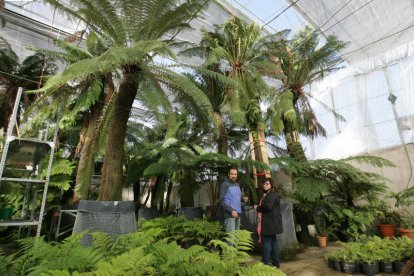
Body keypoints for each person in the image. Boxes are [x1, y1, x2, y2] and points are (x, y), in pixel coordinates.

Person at [254, 177, 283, 268]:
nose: (265, 185)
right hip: (272, 222)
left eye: (267, 184)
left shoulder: (272, 194)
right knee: (274, 242)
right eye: (264, 184)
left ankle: (265, 262)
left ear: (271, 185)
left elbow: (267, 207)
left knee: (267, 241)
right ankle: (276, 263)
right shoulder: (269, 194)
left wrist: (257, 207)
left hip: (270, 223)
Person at [219, 167, 248, 232]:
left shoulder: (237, 184)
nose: (234, 176)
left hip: (238, 214)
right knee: (231, 239)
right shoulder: (224, 185)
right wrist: (231, 211)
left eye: (235, 174)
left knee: (236, 237)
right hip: (229, 215)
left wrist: (243, 199)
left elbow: (235, 197)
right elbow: (222, 201)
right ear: (228, 174)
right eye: (232, 174)